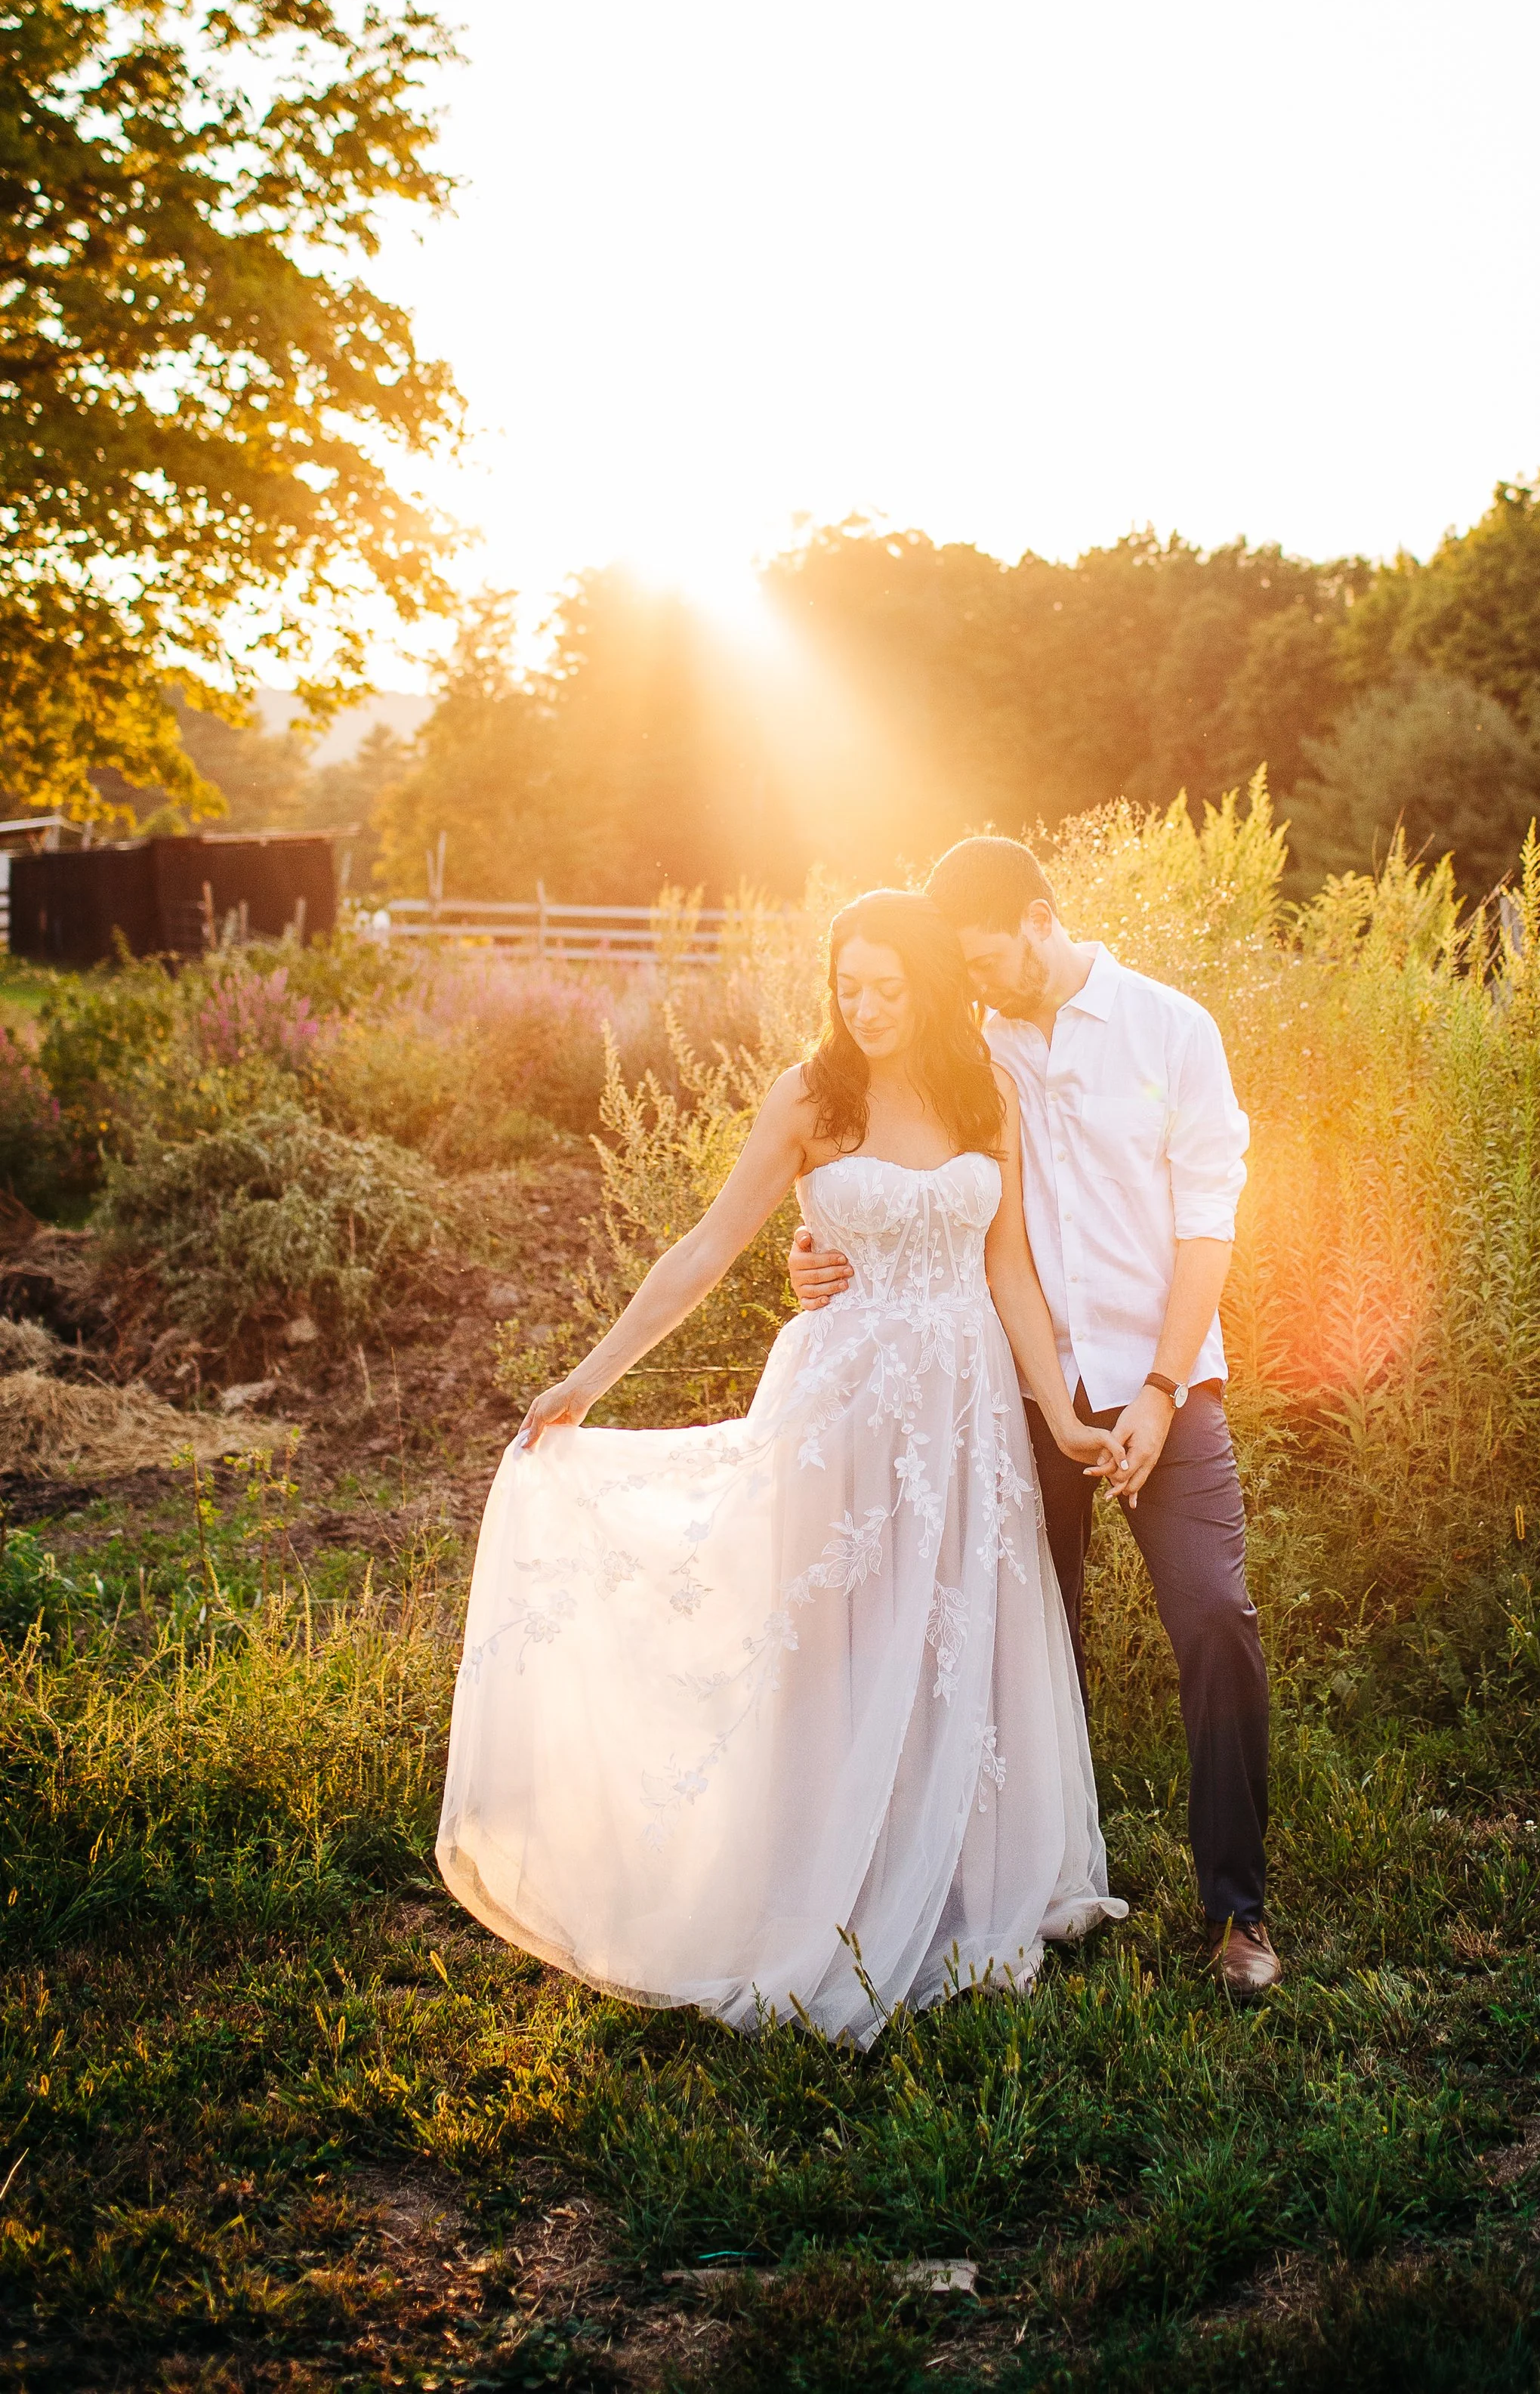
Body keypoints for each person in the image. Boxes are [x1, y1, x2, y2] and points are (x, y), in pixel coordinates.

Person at [436, 889, 1126, 2048]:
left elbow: (1009, 1270)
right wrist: (591, 1377)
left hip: (964, 1415)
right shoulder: (813, 1094)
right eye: (848, 987)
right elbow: (710, 1242)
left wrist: (1056, 1411)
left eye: (888, 987)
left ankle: (954, 1889)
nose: (866, 1008)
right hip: (841, 1408)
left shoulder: (981, 1088)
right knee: (830, 1649)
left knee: (958, 1643)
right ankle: (827, 1893)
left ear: (931, 983)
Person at [791, 839, 1279, 1997]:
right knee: (1008, 1638)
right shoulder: (971, 1049)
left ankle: (1241, 1912)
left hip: (1164, 1380)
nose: (973, 986)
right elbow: (878, 1164)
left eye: (982, 962)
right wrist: (813, 1253)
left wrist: (1160, 1390)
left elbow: (1209, 1224)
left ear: (1043, 919)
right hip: (1013, 1391)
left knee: (1215, 1615)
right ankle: (1002, 1888)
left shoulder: (1173, 1030)